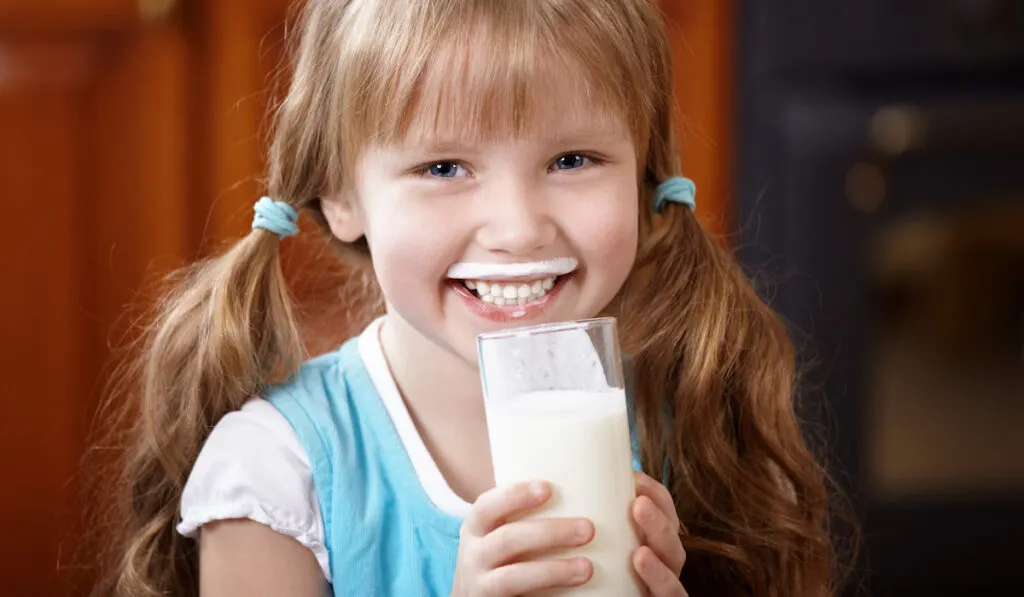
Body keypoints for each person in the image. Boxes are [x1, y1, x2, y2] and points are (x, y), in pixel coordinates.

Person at [97, 0, 842, 595]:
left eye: (573, 159)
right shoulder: (277, 475)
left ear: (645, 176)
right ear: (339, 196)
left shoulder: (693, 418)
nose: (518, 230)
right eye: (444, 167)